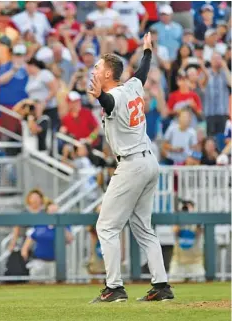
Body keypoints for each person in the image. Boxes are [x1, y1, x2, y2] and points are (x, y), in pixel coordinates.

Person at [88, 32, 173, 302]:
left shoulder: (113, 95)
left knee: (106, 227)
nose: (94, 69)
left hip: (132, 164)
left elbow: (110, 104)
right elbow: (143, 71)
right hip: (149, 161)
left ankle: (114, 288)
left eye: (98, 67)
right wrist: (147, 51)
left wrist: (101, 97)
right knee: (143, 227)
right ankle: (161, 286)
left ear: (108, 74)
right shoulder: (132, 86)